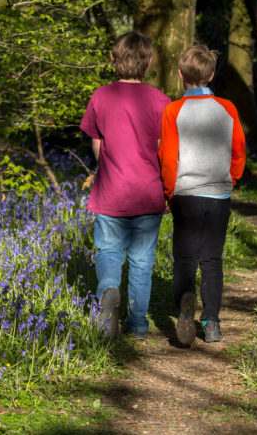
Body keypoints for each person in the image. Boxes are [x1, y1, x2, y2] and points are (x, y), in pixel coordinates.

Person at [80, 31, 170, 341]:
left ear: (113, 60)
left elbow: (97, 144)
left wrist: (105, 167)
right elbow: (163, 149)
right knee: (143, 262)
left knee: (108, 251)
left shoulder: (101, 96)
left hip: (110, 192)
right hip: (148, 192)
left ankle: (108, 292)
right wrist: (168, 190)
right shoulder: (161, 101)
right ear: (149, 61)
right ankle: (138, 324)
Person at [158, 44, 246, 346]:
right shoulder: (228, 108)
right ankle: (211, 322)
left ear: (180, 75)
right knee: (212, 259)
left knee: (184, 257)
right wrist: (231, 179)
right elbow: (239, 151)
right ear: (211, 75)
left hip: (185, 194)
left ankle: (185, 310)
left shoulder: (173, 110)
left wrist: (169, 192)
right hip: (218, 194)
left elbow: (168, 158)